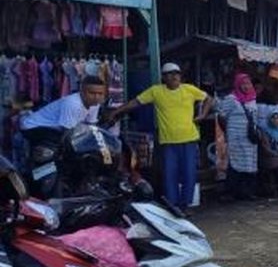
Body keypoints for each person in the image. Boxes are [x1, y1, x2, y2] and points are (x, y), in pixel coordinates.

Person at [108, 63, 213, 211]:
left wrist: (203, 114)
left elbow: (209, 98)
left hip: (189, 139)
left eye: (177, 73)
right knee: (170, 174)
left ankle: (185, 205)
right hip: (168, 142)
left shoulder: (189, 89)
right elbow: (135, 103)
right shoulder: (156, 92)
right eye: (170, 73)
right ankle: (173, 204)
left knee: (189, 174)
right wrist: (116, 112)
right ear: (164, 77)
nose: (174, 76)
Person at [18, 74, 107, 172]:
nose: (96, 97)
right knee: (57, 156)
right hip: (33, 126)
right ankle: (39, 175)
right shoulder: (73, 104)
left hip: (55, 128)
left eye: (100, 93)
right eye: (92, 93)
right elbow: (66, 132)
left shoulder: (95, 104)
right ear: (82, 92)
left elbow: (91, 126)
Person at [216, 73, 260, 200]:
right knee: (236, 163)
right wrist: (228, 131)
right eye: (243, 84)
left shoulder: (253, 98)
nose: (246, 87)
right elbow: (222, 115)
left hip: (250, 137)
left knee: (250, 163)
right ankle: (232, 192)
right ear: (238, 85)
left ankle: (248, 192)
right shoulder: (231, 99)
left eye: (248, 84)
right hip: (236, 137)